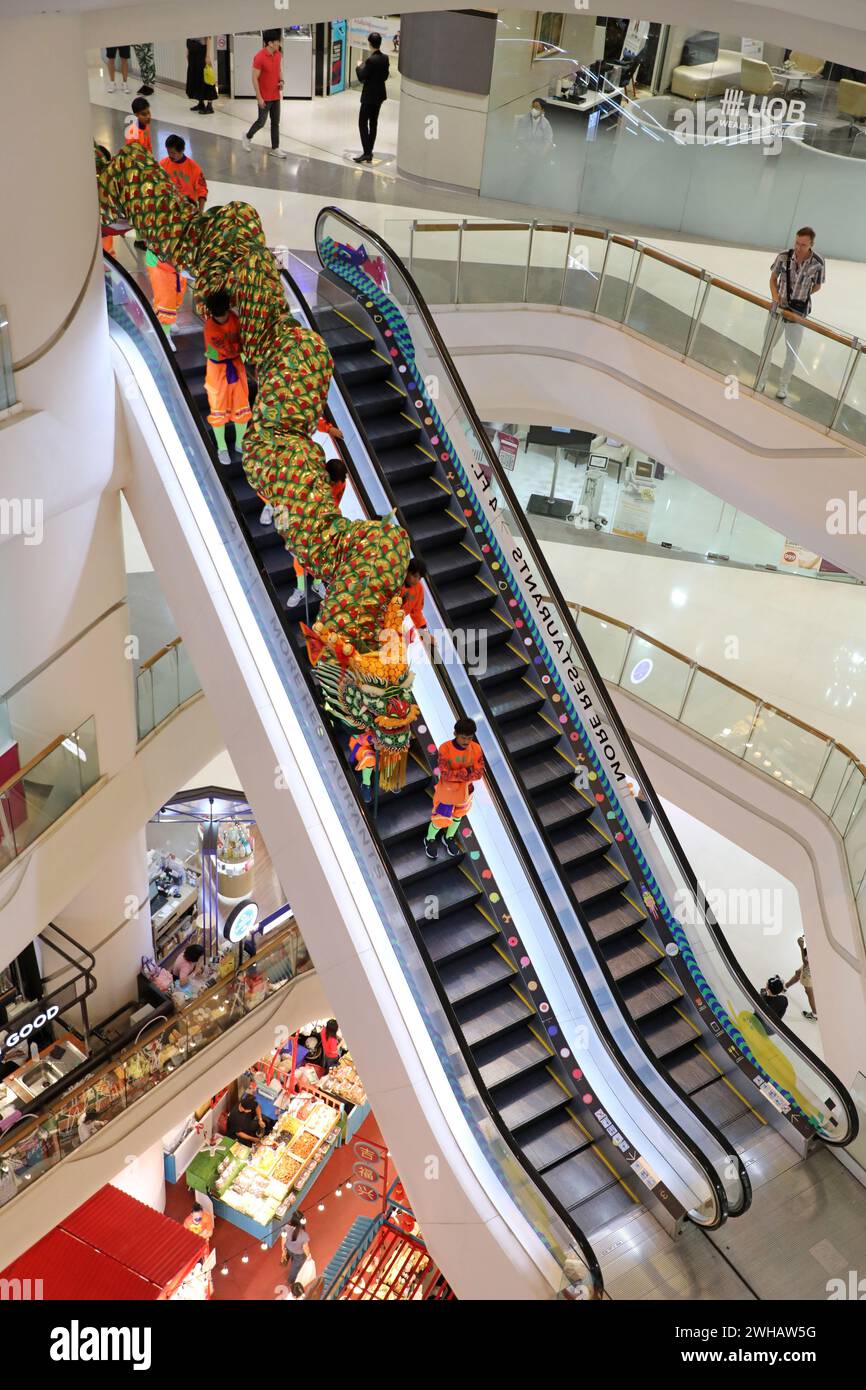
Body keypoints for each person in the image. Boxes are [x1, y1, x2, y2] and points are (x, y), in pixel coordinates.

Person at [768, 227, 825, 401]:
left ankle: (783, 385)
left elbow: (817, 285)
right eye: (797, 243)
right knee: (767, 346)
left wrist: (801, 297)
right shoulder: (784, 256)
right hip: (778, 310)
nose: (799, 247)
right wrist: (776, 299)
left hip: (798, 315)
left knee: (791, 353)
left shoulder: (818, 263)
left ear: (811, 245)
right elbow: (772, 279)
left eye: (803, 245)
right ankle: (761, 379)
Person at [285, 453, 346, 606]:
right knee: (300, 558)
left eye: (339, 482)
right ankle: (300, 589)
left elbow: (335, 503)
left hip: (324, 523)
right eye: (334, 482)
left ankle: (317, 583)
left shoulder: (341, 483)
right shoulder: (312, 482)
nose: (337, 485)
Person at [202, 289, 252, 465]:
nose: (223, 318)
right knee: (218, 410)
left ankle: (240, 443)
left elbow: (241, 342)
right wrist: (241, 348)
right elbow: (227, 350)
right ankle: (222, 447)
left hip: (236, 368)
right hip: (218, 372)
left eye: (224, 314)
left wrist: (241, 349)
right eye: (219, 316)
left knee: (241, 406)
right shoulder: (210, 328)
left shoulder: (235, 318)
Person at [424, 718, 485, 859]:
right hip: (447, 793)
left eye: (470, 738)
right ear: (455, 733)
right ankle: (429, 839)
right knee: (440, 819)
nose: (466, 741)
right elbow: (445, 774)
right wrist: (466, 772)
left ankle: (449, 837)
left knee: (458, 816)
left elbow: (479, 774)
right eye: (463, 737)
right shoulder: (445, 748)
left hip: (466, 793)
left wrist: (458, 774)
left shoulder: (476, 748)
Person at [242, 31, 285, 157]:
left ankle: (275, 148)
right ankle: (247, 136)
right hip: (264, 96)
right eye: (277, 41)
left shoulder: (278, 54)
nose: (279, 43)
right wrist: (259, 97)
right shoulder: (259, 57)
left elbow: (279, 70)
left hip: (276, 95)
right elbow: (254, 78)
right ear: (270, 43)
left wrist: (281, 81)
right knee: (261, 122)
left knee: (275, 123)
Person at [354, 32, 389, 164]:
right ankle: (369, 151)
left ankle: (367, 152)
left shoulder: (370, 60)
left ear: (370, 44)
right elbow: (385, 76)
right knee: (373, 123)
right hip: (379, 96)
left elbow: (361, 76)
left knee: (362, 123)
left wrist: (358, 66)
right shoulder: (385, 58)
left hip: (369, 97)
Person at [145, 249, 187, 346]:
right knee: (165, 299)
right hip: (160, 262)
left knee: (177, 295)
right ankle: (165, 335)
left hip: (178, 260)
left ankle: (170, 321)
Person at [160, 135, 207, 210]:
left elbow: (202, 190)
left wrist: (200, 212)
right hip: (169, 205)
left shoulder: (194, 168)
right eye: (168, 152)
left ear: (182, 150)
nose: (170, 155)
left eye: (173, 153)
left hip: (188, 206)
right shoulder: (163, 164)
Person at [786, 935, 817, 1019]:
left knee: (809, 993)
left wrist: (801, 946)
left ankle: (815, 1014)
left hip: (808, 972)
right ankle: (785, 987)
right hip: (810, 968)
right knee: (798, 973)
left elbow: (806, 962)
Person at [186, 38, 215, 115]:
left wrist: (207, 55)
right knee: (196, 77)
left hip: (201, 50)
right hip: (192, 50)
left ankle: (210, 106)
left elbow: (209, 38)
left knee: (205, 77)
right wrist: (188, 51)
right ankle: (200, 102)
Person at [280, 1213, 311, 1282]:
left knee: (288, 1256)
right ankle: (290, 1280)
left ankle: (284, 1262)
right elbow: (305, 1248)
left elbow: (283, 1239)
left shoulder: (286, 1227)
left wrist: (283, 1249)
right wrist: (309, 1256)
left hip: (288, 1248)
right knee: (295, 1268)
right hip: (299, 1254)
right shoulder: (304, 1235)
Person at [401, 558, 427, 634]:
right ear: (407, 571)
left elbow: (417, 612)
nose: (416, 581)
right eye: (415, 576)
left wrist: (425, 634)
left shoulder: (419, 589)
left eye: (419, 578)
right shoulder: (396, 583)